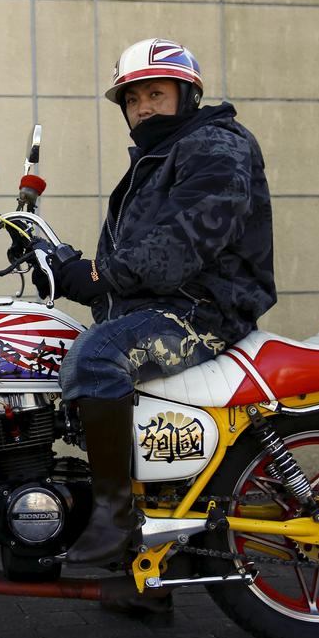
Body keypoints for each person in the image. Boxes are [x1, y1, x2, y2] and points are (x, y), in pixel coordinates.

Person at [44, 38, 276, 568]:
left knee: (95, 356)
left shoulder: (216, 145)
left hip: (203, 310)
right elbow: (135, 252)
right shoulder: (159, 156)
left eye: (155, 93)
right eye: (133, 99)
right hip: (165, 306)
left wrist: (99, 276)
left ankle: (114, 515)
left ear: (187, 95)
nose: (143, 106)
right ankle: (140, 582)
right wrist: (60, 263)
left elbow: (187, 238)